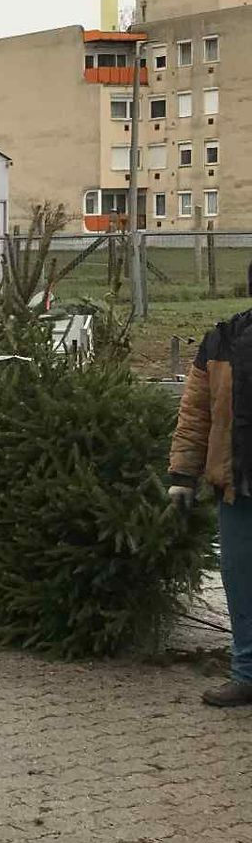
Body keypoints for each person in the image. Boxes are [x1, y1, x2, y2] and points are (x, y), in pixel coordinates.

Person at [168, 286, 252, 707]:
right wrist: (183, 476)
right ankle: (246, 675)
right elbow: (195, 414)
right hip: (237, 488)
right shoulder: (221, 341)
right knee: (241, 586)